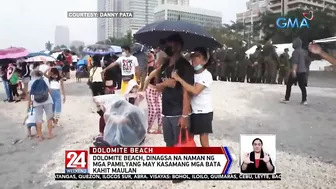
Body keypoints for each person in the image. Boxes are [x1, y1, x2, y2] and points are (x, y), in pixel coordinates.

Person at [155, 34, 194, 151]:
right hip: (165, 112)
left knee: (181, 146)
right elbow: (157, 87)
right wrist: (165, 84)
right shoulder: (164, 66)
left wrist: (184, 116)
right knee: (169, 144)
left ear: (178, 46)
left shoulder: (185, 67)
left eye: (170, 43)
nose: (167, 46)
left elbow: (187, 93)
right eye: (166, 43)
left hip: (178, 113)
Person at [169, 47, 213, 147]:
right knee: (188, 137)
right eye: (193, 55)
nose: (194, 58)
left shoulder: (206, 75)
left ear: (205, 60)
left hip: (203, 112)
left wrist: (179, 79)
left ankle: (208, 159)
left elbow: (195, 90)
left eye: (198, 56)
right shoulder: (191, 73)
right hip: (191, 111)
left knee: (203, 139)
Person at [142, 51, 167, 134]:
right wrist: (143, 90)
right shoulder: (156, 71)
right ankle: (149, 128)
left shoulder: (166, 71)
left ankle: (160, 128)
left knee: (160, 109)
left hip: (158, 91)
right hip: (150, 90)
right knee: (153, 110)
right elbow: (148, 79)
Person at [28, 70, 54, 140]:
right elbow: (49, 90)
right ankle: (50, 134)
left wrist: (31, 103)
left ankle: (40, 136)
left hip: (36, 102)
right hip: (47, 100)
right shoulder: (45, 79)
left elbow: (31, 94)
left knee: (38, 119)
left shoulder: (31, 82)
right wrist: (52, 98)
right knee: (49, 118)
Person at [281, 38, 308, 105]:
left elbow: (295, 62)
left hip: (297, 71)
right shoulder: (303, 52)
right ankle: (304, 100)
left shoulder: (295, 52)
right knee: (302, 86)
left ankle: (287, 99)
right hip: (303, 71)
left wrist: (293, 71)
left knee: (289, 84)